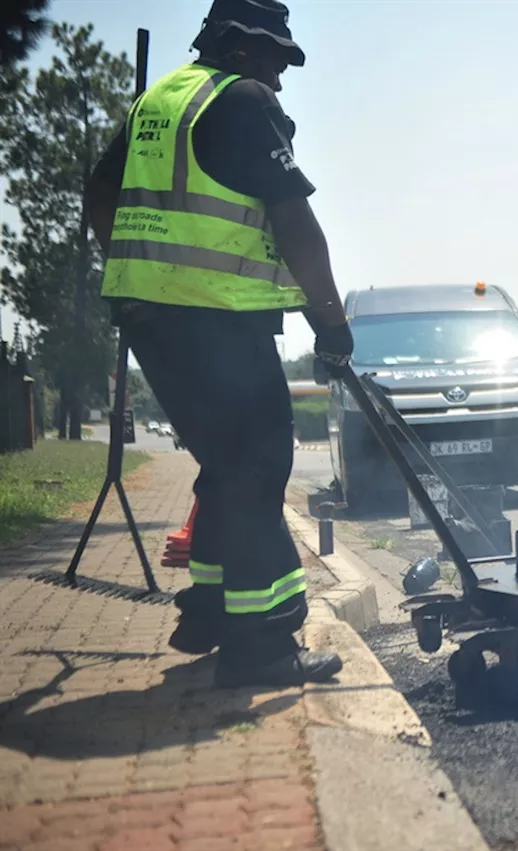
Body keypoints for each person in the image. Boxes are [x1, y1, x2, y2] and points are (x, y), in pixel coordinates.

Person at [86, 0, 354, 688]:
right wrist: (330, 321)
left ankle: (207, 607)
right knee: (260, 468)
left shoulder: (161, 99)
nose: (279, 76)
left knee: (228, 466)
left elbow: (98, 191)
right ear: (237, 47)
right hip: (216, 317)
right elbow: (296, 223)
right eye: (274, 57)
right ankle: (262, 645)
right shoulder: (241, 100)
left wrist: (134, 267)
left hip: (152, 318)